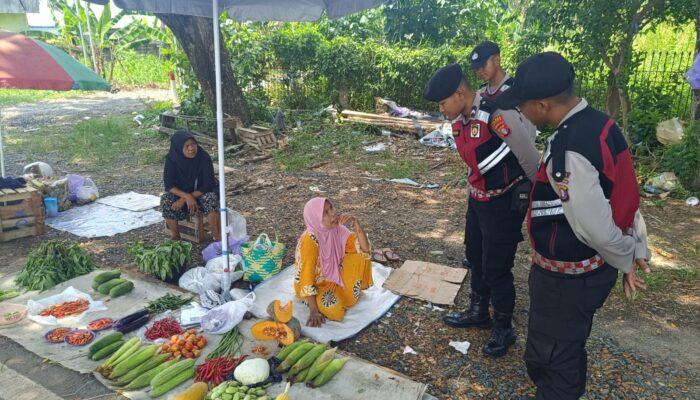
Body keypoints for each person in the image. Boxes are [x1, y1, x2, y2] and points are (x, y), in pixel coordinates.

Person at [495, 52, 652, 399]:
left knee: (553, 360)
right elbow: (625, 194)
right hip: (578, 275)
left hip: (568, 280)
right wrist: (636, 247)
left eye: (522, 105)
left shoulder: (569, 148)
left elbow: (593, 227)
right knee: (559, 346)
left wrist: (626, 256)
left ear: (543, 104)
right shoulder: (601, 125)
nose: (520, 112)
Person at [423, 63, 540, 358]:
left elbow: (529, 157)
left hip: (502, 203)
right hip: (478, 200)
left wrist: (531, 197)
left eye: (443, 102)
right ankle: (479, 311)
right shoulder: (459, 120)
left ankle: (503, 327)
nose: (441, 108)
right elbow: (474, 163)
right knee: (475, 257)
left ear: (460, 93)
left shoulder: (495, 115)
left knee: (496, 267)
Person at [294, 197, 373, 327]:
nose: (332, 213)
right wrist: (314, 310)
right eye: (326, 213)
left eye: (331, 208)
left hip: (332, 278)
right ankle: (316, 300)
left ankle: (343, 293)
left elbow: (364, 249)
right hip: (314, 285)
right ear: (315, 219)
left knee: (359, 256)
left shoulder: (338, 229)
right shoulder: (310, 241)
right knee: (333, 310)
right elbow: (306, 277)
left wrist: (356, 223)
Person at [161, 130, 221, 241]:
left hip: (201, 192)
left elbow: (208, 184)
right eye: (187, 146)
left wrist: (187, 198)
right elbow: (169, 185)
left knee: (210, 198)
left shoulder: (203, 157)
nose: (191, 148)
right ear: (178, 147)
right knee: (166, 199)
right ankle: (176, 237)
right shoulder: (171, 159)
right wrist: (186, 197)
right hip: (182, 193)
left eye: (193, 144)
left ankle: (217, 237)